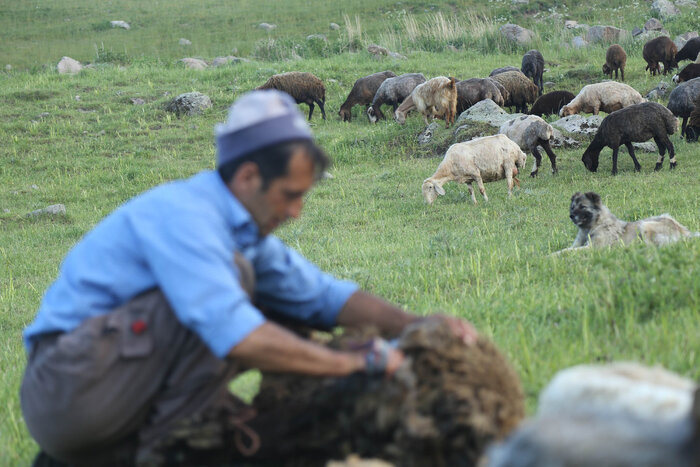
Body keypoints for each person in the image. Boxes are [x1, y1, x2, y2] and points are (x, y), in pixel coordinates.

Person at [21, 90, 477, 466]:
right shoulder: (185, 218)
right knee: (237, 285)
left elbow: (323, 296)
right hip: (69, 395)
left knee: (276, 293)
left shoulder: (238, 229)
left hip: (110, 391)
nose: (296, 212)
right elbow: (236, 335)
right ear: (248, 175)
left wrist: (415, 324)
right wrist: (356, 363)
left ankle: (174, 436)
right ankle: (171, 447)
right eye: (290, 196)